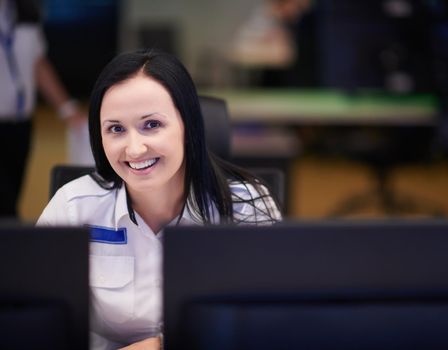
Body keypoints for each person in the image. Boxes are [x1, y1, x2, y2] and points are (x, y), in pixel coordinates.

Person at [37, 49, 282, 349]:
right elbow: (37, 319)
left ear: (187, 125)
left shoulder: (246, 205)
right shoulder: (73, 207)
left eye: (151, 125)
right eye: (115, 129)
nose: (135, 149)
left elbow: (265, 322)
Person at [0, 0, 86, 219]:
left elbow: (38, 64)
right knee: (5, 206)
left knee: (12, 194)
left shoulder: (25, 15)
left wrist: (66, 108)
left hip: (20, 124)